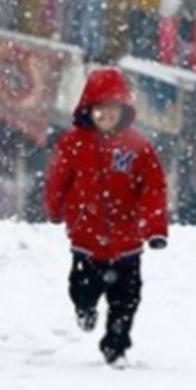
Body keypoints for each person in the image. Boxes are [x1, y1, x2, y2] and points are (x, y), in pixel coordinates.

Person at [45, 68, 168, 367]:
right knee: (82, 288)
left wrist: (155, 228)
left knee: (125, 300)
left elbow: (153, 187)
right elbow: (58, 178)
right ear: (89, 110)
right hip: (86, 238)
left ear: (122, 110)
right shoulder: (73, 143)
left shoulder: (138, 147)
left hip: (127, 242)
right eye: (99, 109)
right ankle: (85, 308)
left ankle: (116, 347)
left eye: (111, 109)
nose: (105, 116)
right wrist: (55, 207)